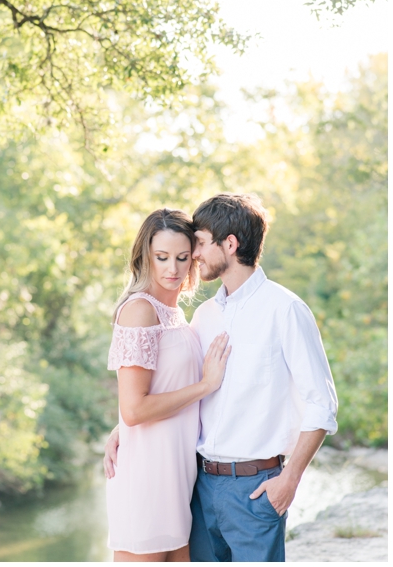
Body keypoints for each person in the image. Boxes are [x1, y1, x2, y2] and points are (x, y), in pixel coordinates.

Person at [104, 193, 339, 562]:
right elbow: (168, 386)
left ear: (229, 244)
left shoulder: (285, 309)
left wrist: (289, 479)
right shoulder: (205, 315)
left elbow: (322, 405)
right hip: (197, 485)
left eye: (196, 246)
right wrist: (125, 427)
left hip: (254, 488)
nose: (191, 258)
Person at [105, 208, 232, 562]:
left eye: (181, 258)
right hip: (147, 475)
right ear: (145, 256)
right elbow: (135, 409)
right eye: (161, 257)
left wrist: (120, 425)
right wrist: (205, 386)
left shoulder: (173, 312)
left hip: (177, 474)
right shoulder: (140, 309)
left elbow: (154, 390)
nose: (172, 269)